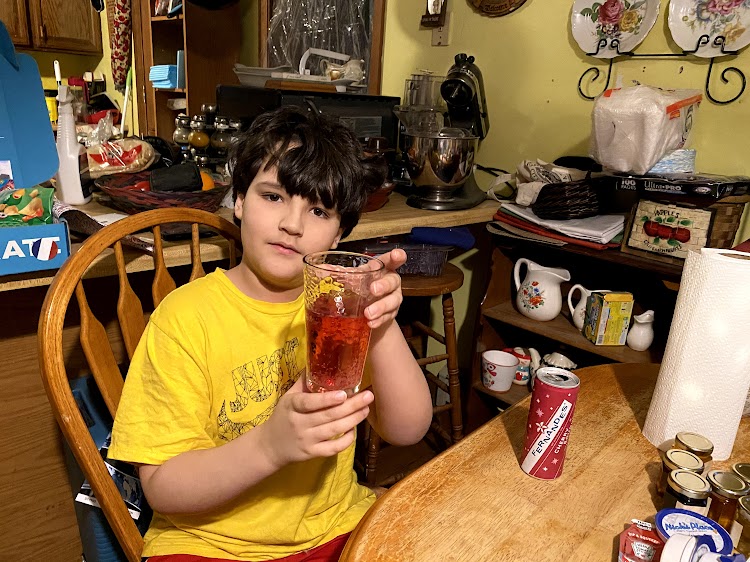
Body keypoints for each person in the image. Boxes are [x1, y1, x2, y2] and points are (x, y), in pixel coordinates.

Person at [108, 106, 433, 562]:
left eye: (318, 210)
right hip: (210, 544)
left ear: (338, 235)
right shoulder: (183, 319)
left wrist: (379, 320)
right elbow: (162, 488)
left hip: (334, 526)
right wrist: (270, 446)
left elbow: (408, 429)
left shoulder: (339, 313)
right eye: (274, 196)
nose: (292, 225)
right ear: (239, 200)